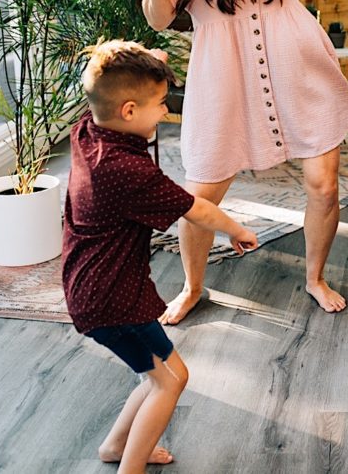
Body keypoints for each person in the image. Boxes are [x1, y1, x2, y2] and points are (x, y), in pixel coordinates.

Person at [132, 0, 348, 322]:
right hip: (223, 72)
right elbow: (158, 17)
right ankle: (193, 287)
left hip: (299, 63)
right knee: (200, 195)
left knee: (323, 184)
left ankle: (315, 277)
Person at [62, 41, 258, 473]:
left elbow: (105, 82)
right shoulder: (127, 171)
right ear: (129, 111)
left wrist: (148, 61)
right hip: (113, 299)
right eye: (160, 105)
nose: (166, 113)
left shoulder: (88, 131)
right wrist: (237, 229)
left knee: (154, 376)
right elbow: (196, 208)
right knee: (172, 380)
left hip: (92, 288)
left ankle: (116, 448)